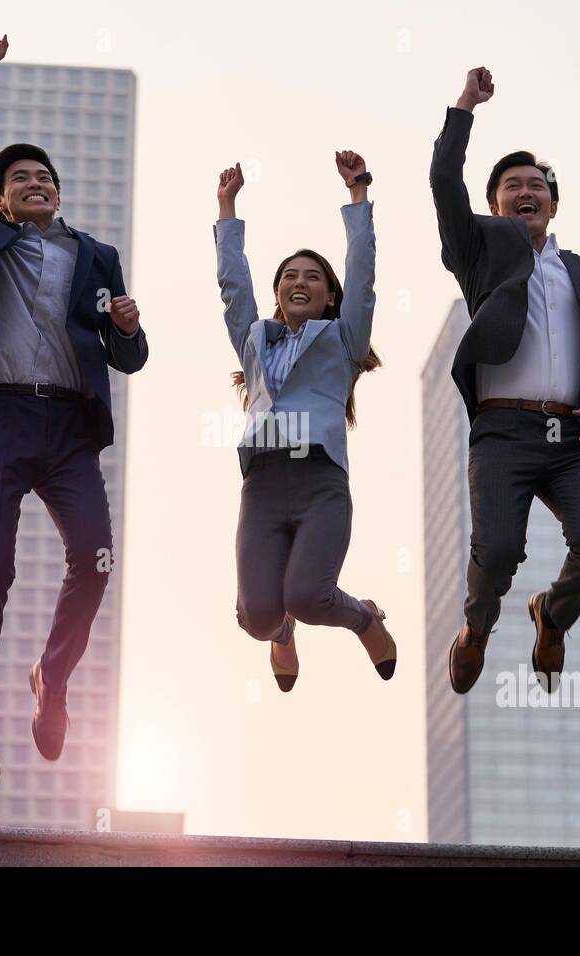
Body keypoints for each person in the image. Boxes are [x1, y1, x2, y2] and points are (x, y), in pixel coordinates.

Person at [0, 35, 149, 788]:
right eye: (19, 177)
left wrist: (126, 328)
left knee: (95, 561)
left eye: (44, 176)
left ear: (58, 193)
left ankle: (51, 678)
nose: (35, 182)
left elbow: (129, 358)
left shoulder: (95, 255)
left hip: (68, 430)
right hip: (2, 421)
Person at [430, 67, 580, 696]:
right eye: (512, 186)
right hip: (503, 433)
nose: (525, 191)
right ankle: (476, 630)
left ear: (552, 205)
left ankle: (550, 615)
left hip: (575, 437)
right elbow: (443, 180)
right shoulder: (478, 253)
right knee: (499, 550)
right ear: (495, 205)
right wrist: (465, 106)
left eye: (537, 185)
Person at [213, 152, 394, 693]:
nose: (299, 281)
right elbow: (231, 288)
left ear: (328, 296)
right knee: (258, 617)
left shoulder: (343, 341)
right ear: (276, 294)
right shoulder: (254, 342)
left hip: (320, 484)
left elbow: (362, 279)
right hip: (263, 485)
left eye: (312, 277)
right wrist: (227, 207)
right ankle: (281, 633)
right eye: (289, 276)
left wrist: (358, 195)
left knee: (309, 596)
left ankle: (365, 618)